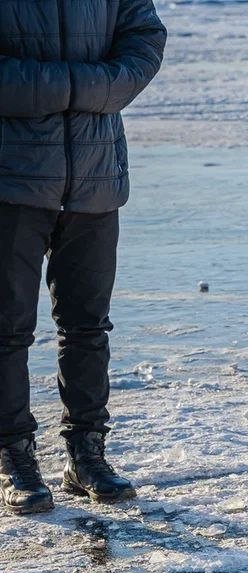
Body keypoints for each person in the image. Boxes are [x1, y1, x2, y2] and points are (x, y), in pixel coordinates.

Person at [0, 0, 167, 515]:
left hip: (95, 179)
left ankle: (86, 454)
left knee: (88, 326)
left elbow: (144, 40)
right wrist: (79, 86)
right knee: (7, 329)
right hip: (13, 179)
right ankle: (14, 457)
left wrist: (100, 85)